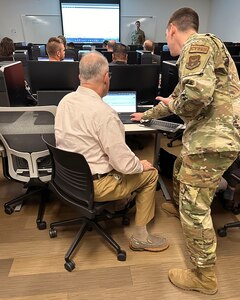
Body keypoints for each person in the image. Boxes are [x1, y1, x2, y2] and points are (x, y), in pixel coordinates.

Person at [131, 7, 240, 295]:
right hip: (212, 139)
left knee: (197, 209)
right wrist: (147, 115)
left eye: (167, 37)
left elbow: (193, 99)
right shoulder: (202, 54)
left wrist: (175, 105)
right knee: (178, 168)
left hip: (212, 141)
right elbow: (176, 98)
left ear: (171, 29)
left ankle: (204, 277)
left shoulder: (197, 45)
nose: (167, 44)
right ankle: (180, 207)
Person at [55, 51, 169, 252]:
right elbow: (123, 163)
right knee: (150, 173)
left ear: (79, 76)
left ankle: (116, 204)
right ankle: (141, 237)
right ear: (106, 78)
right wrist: (139, 164)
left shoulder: (65, 102)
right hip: (96, 186)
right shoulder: (105, 114)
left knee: (117, 162)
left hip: (70, 181)